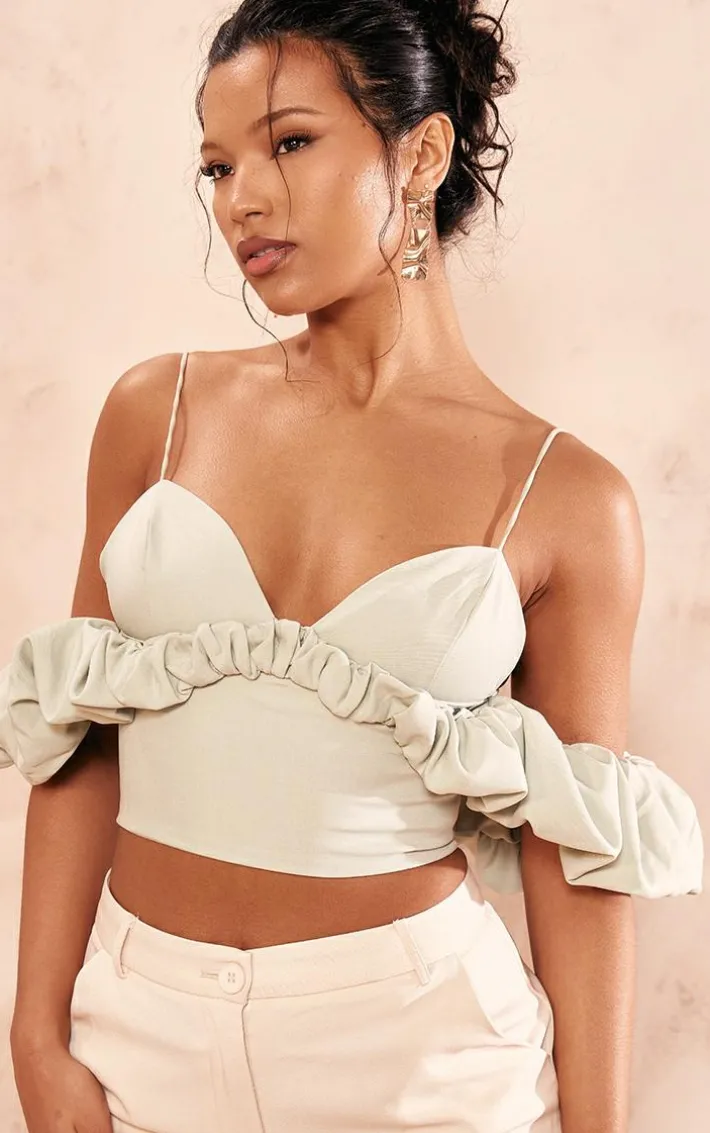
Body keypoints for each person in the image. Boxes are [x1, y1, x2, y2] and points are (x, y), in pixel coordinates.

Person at [3, 2, 703, 1131]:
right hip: (141, 1036)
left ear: (419, 154)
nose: (241, 198)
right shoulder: (156, 412)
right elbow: (74, 737)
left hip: (417, 1061)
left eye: (289, 142)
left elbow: (578, 853)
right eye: (218, 165)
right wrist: (35, 1032)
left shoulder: (566, 498)